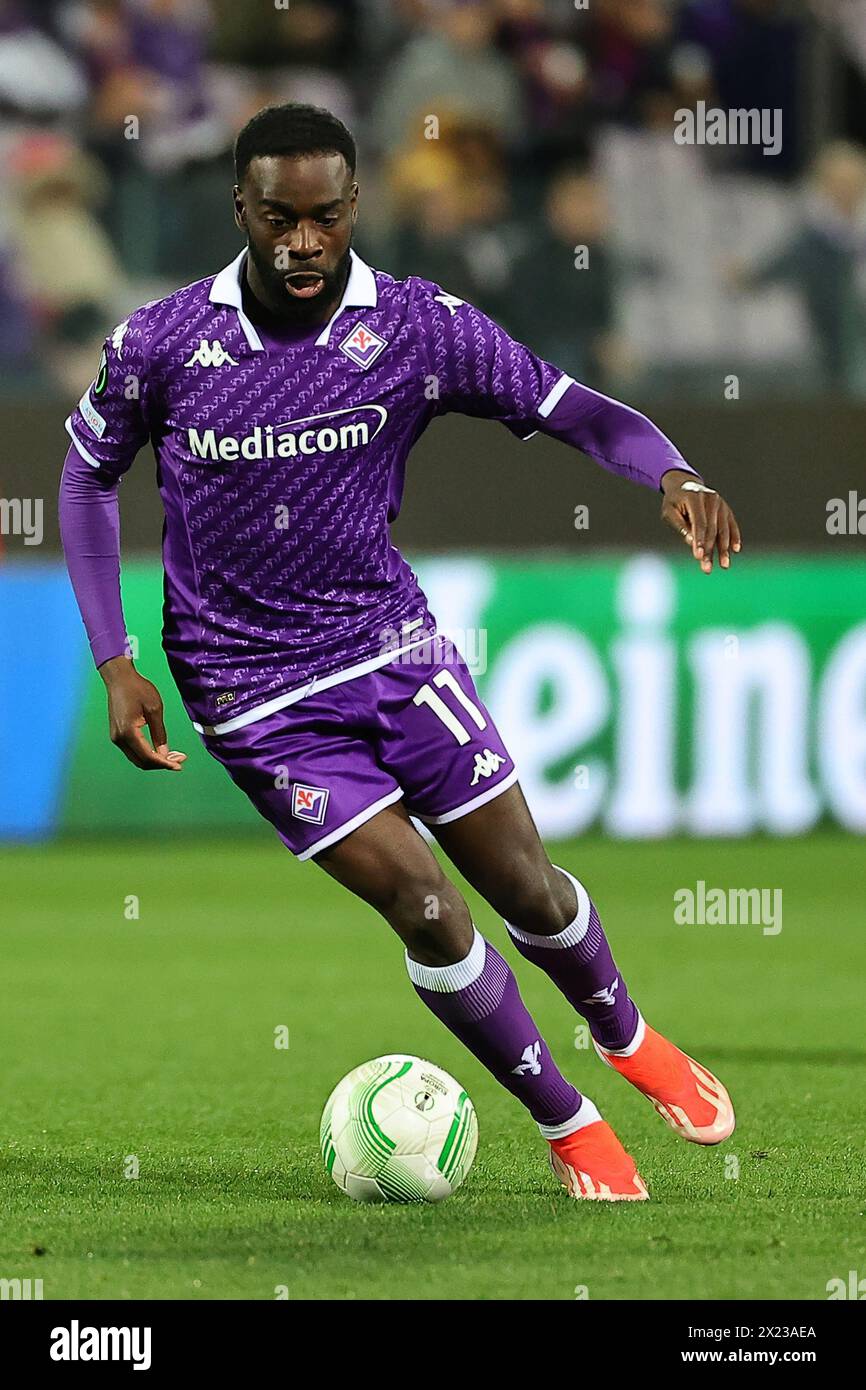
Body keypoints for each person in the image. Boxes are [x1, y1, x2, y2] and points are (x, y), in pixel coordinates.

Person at [59, 103, 741, 1201]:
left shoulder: (415, 327)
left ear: (351, 207)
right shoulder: (164, 342)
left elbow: (569, 407)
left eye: (323, 217)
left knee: (527, 886)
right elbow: (86, 476)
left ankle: (626, 1036)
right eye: (277, 216)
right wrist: (113, 656)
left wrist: (670, 471)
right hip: (251, 692)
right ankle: (568, 1124)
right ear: (240, 206)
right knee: (425, 905)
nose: (300, 242)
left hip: (392, 650)